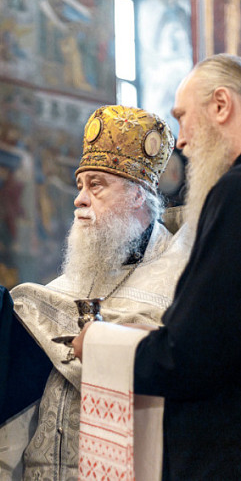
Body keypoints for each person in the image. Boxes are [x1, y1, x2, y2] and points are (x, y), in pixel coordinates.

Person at [0, 105, 192, 480]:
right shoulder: (63, 289)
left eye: (96, 185)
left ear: (137, 195)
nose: (79, 199)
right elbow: (2, 374)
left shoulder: (182, 283)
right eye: (80, 185)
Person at [74, 53, 241, 480]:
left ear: (221, 105)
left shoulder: (233, 193)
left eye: (182, 117)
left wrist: (99, 344)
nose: (181, 142)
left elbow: (190, 358)